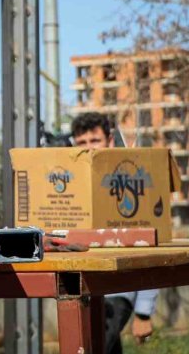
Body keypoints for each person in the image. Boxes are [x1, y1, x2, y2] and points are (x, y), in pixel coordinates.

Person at [71, 112, 158, 353]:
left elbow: (149, 243)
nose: (89, 148)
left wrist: (143, 311)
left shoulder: (132, 180)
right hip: (85, 289)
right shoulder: (72, 187)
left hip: (119, 289)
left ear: (110, 140)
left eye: (94, 140)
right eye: (82, 143)